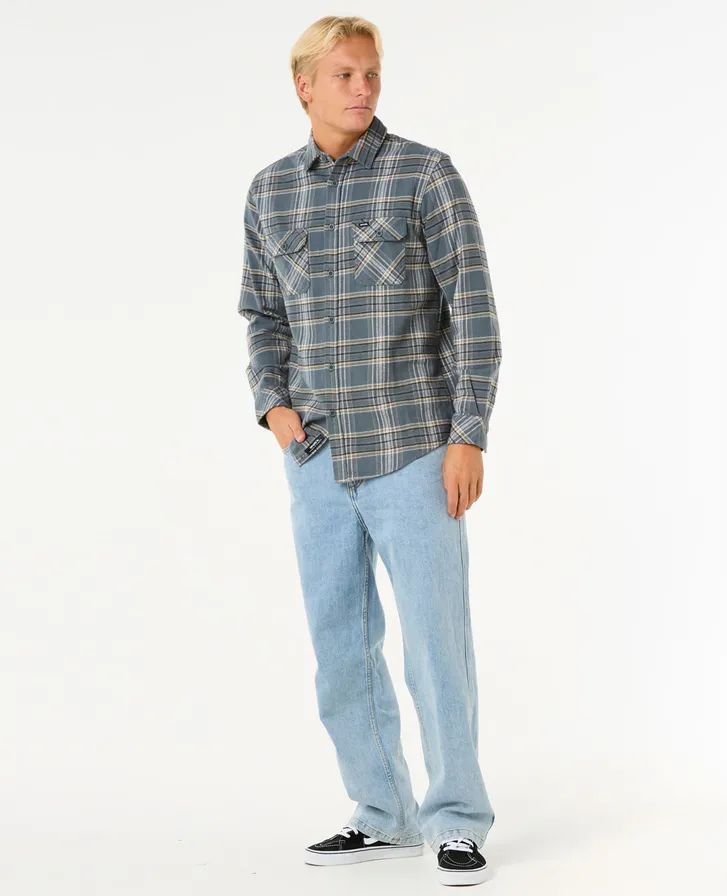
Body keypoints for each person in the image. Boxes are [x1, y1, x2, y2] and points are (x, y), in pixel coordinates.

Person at [238, 15, 502, 888]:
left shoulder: (424, 174)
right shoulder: (270, 191)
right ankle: (381, 814)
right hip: (315, 459)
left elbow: (473, 311)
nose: (362, 88)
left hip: (413, 449)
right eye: (344, 74)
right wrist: (273, 407)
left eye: (371, 73)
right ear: (304, 86)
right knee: (339, 649)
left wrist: (467, 435)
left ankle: (456, 820)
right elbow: (262, 314)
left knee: (435, 648)